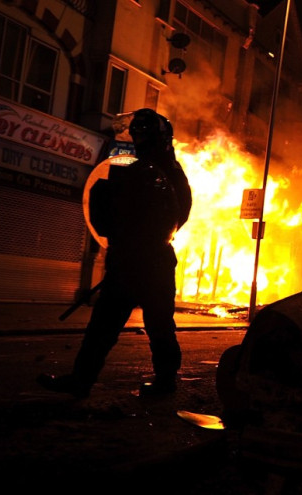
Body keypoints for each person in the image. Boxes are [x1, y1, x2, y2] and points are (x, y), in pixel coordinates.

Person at [38, 108, 192, 399]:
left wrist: (138, 240)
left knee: (154, 327)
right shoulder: (149, 170)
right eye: (137, 133)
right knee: (106, 327)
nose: (139, 139)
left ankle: (163, 382)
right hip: (134, 262)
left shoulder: (161, 173)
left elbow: (174, 215)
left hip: (149, 262)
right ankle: (83, 380)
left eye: (143, 134)